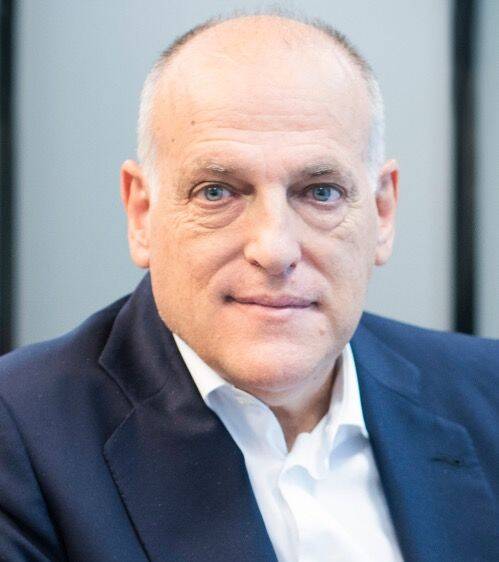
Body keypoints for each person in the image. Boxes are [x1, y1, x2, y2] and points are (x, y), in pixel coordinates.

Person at [0, 13, 497, 562]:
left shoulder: (488, 394)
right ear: (142, 214)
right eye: (216, 192)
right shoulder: (19, 436)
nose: (275, 250)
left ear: (382, 212)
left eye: (321, 192)